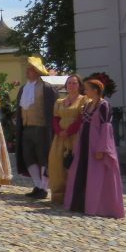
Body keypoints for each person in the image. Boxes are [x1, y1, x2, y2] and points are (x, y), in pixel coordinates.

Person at [64, 79, 124, 219]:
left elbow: (106, 128)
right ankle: (81, 204)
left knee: (97, 175)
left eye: (87, 89)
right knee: (81, 173)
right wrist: (77, 144)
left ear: (95, 90)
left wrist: (102, 148)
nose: (85, 91)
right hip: (85, 144)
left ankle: (99, 206)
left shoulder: (104, 105)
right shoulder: (87, 105)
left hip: (96, 145)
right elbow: (83, 125)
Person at [15, 56, 57, 199]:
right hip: (26, 128)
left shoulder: (47, 88)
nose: (28, 71)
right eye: (28, 69)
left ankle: (44, 188)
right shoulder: (23, 89)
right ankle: (38, 185)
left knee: (43, 158)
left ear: (37, 72)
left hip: (42, 128)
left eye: (31, 69)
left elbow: (53, 109)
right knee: (29, 157)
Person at [49, 74, 86, 205]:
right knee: (57, 163)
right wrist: (59, 131)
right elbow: (55, 118)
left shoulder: (83, 100)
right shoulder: (60, 102)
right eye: (69, 83)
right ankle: (59, 194)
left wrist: (69, 131)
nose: (71, 85)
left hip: (75, 137)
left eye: (74, 83)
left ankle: (73, 195)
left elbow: (81, 119)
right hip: (60, 137)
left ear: (79, 85)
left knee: (73, 165)